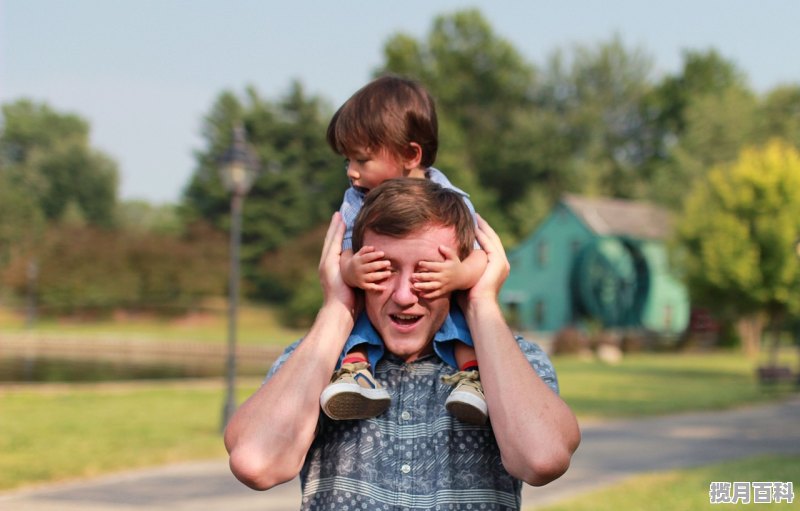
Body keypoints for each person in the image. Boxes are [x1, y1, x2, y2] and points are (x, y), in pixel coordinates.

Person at [224, 179, 581, 510]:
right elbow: (256, 463)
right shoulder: (320, 360)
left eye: (427, 273)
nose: (404, 295)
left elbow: (541, 459)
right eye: (384, 269)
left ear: (459, 278)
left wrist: (481, 303)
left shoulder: (510, 360)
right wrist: (337, 306)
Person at [322, 74, 490, 425]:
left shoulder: (449, 200)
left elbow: (481, 257)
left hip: (438, 290)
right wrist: (351, 270)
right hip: (377, 292)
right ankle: (355, 372)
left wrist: (458, 274)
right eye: (347, 162)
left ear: (410, 154)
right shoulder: (357, 200)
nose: (352, 173)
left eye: (362, 161)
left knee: (459, 311)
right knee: (361, 307)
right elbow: (344, 251)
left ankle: (473, 378)